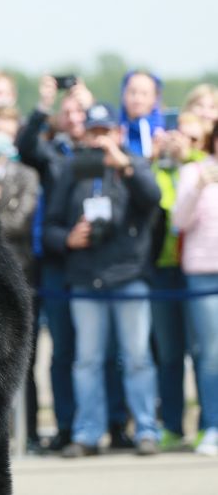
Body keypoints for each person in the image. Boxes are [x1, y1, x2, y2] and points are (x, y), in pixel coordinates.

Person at [17, 76, 131, 452]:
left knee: (107, 350)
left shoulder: (108, 149)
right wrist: (45, 101)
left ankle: (117, 424)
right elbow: (25, 144)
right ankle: (68, 427)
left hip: (101, 262)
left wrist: (90, 99)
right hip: (58, 260)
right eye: (68, 113)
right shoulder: (52, 153)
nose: (75, 117)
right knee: (66, 350)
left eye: (80, 110)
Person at [45, 103, 161, 457]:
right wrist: (68, 238)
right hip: (85, 278)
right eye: (94, 132)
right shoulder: (72, 168)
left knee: (137, 357)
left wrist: (122, 164)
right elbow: (50, 226)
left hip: (128, 276)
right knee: (87, 361)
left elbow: (152, 198)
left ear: (118, 133)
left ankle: (146, 430)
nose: (99, 139)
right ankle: (87, 433)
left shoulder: (132, 164)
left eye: (106, 132)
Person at [0, 107, 40, 450]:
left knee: (18, 362)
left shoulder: (26, 175)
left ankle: (24, 435)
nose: (2, 134)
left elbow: (19, 223)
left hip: (14, 279)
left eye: (8, 129)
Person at [149, 112, 208, 450]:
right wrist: (156, 159)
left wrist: (191, 159)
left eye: (190, 136)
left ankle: (207, 424)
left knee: (204, 352)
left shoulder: (203, 167)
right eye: (175, 133)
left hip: (198, 267)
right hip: (162, 266)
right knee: (169, 352)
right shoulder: (158, 167)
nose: (180, 140)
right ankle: (171, 424)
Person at [172, 122, 218, 457]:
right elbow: (178, 221)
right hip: (203, 274)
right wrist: (199, 186)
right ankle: (213, 425)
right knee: (211, 354)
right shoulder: (193, 172)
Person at [120, 71, 164, 158]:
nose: (138, 99)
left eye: (144, 94)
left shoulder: (160, 133)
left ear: (155, 98)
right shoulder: (117, 129)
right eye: (132, 92)